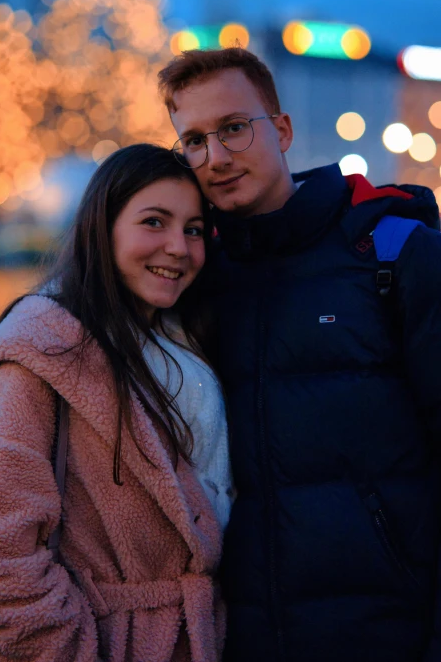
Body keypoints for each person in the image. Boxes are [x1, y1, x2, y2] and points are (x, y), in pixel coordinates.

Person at [158, 47, 441, 662]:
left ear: (281, 130)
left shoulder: (394, 255)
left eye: (234, 128)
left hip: (390, 633)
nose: (216, 157)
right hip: (245, 641)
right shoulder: (188, 280)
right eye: (195, 140)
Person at [0, 144, 233, 662]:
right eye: (154, 221)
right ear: (101, 227)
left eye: (194, 229)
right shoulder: (40, 351)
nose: (178, 246)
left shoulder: (186, 342)